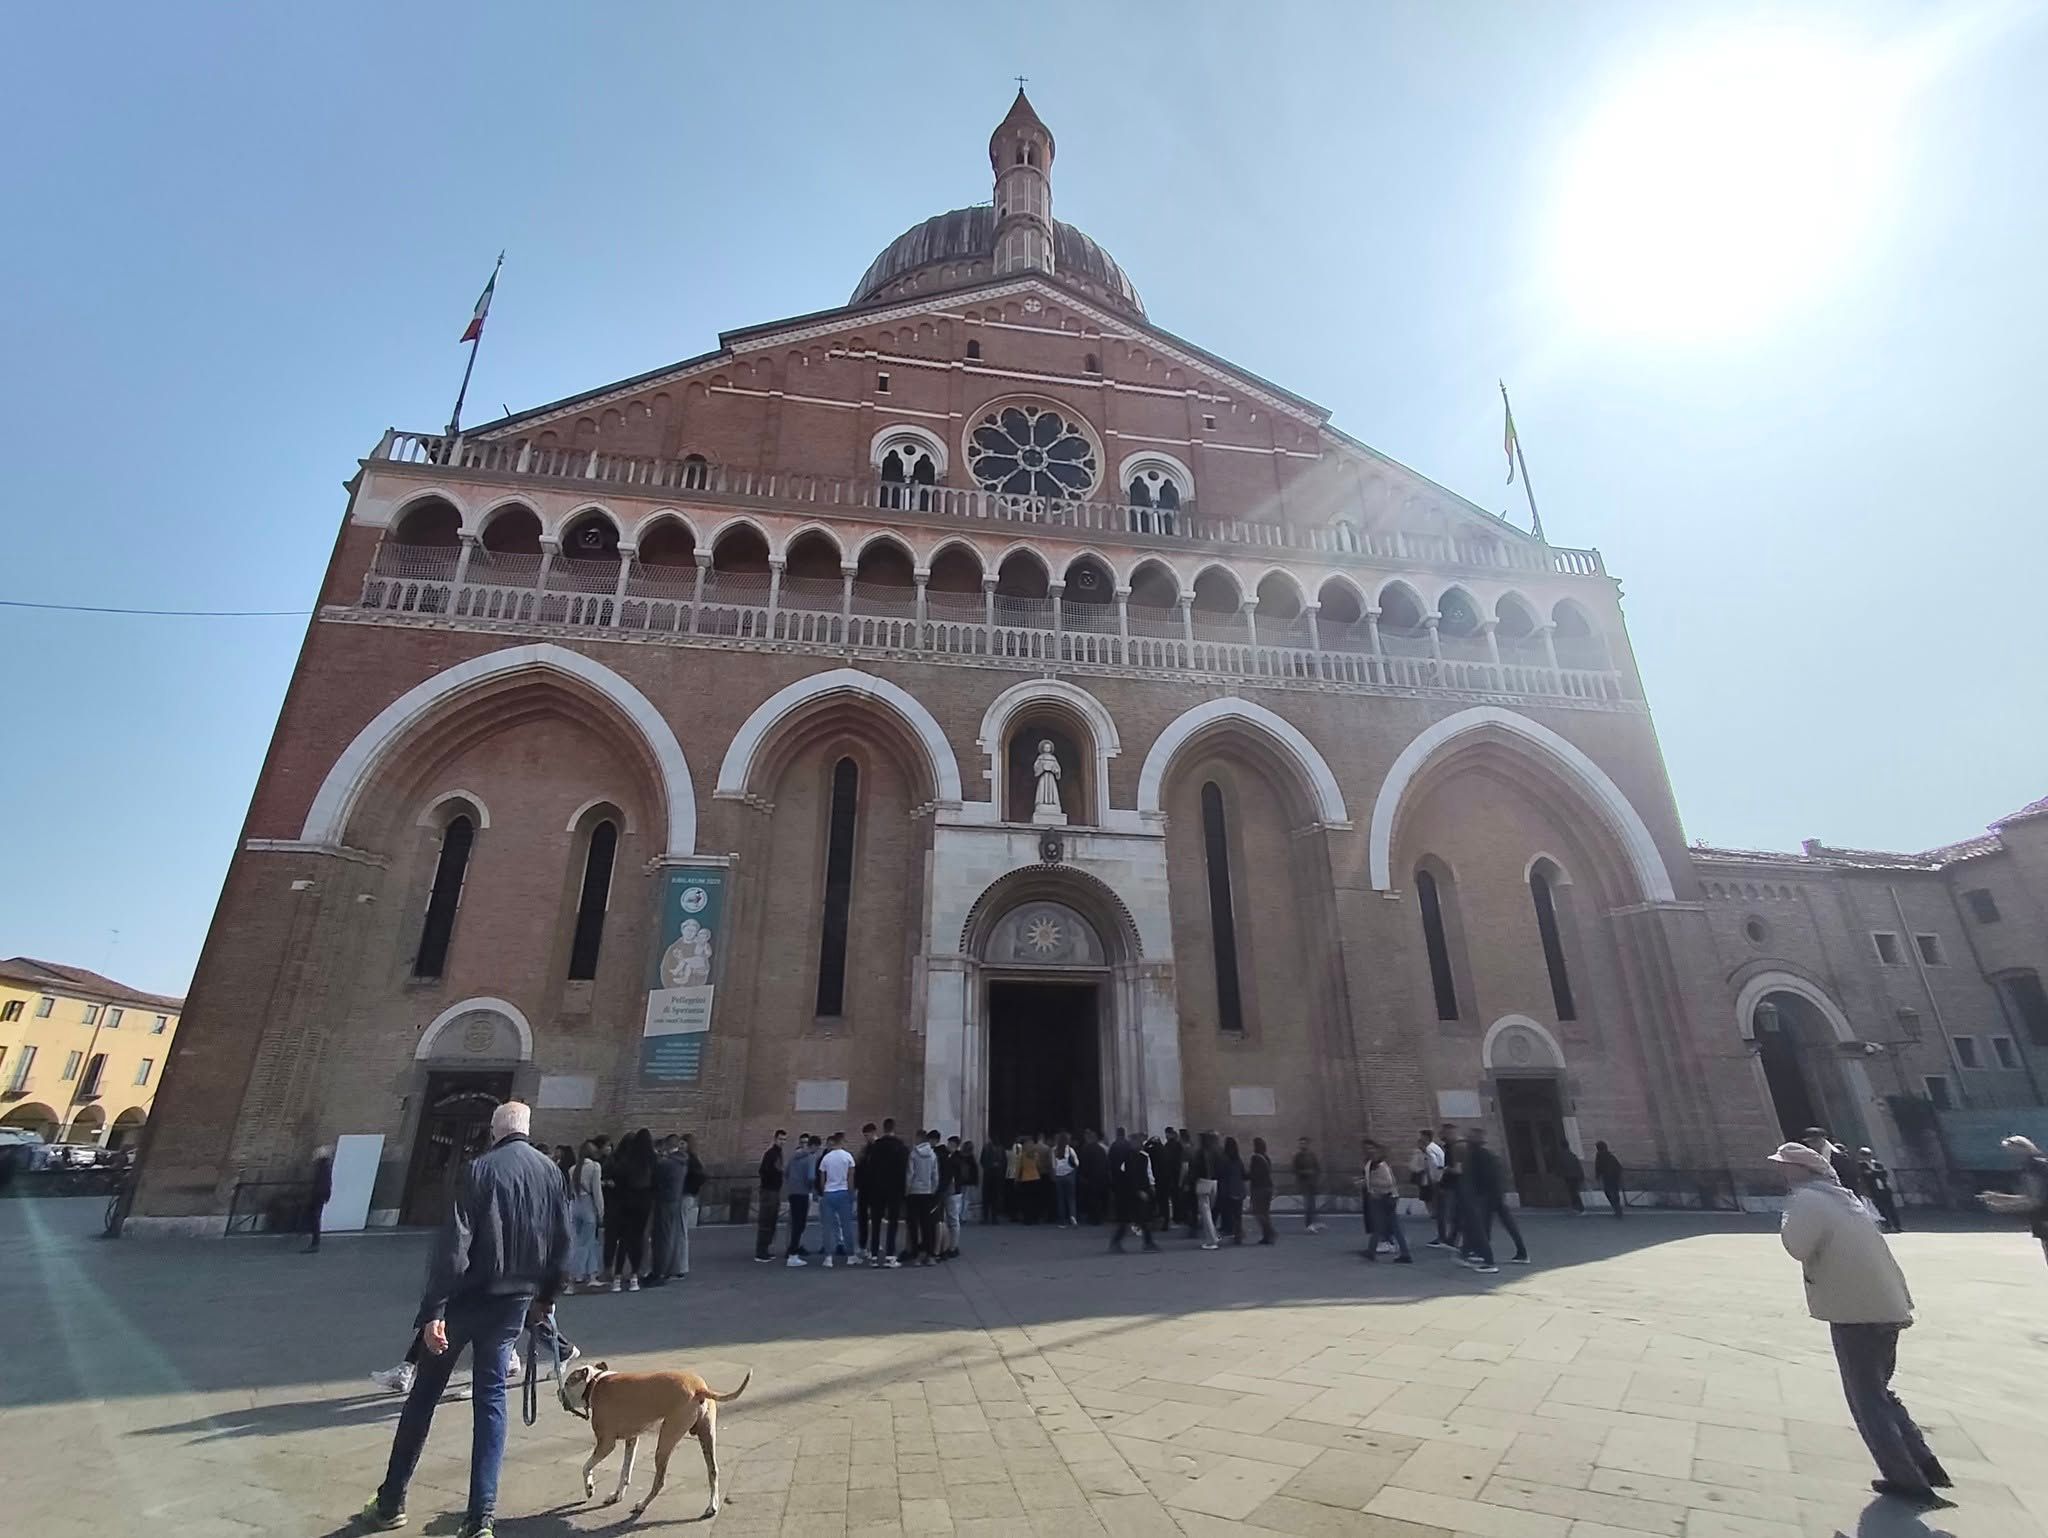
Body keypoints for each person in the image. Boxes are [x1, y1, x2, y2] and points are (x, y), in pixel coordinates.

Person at [357, 1101, 570, 1538]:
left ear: (494, 1131)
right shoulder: (551, 1172)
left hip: (465, 1301)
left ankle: (391, 1502)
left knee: (423, 1398)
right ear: (527, 1129)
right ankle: (480, 1519)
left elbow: (454, 1244)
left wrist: (434, 1310)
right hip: (513, 1303)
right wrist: (546, 1297)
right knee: (491, 1401)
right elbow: (562, 1242)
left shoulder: (479, 1170)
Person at [1769, 1140, 1952, 1509]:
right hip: (1885, 1306)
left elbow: (1797, 1246)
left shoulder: (1807, 1200)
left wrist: (1786, 1216)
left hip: (1856, 1311)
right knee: (1880, 1392)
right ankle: (1925, 1463)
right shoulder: (1843, 1197)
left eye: (1785, 1165)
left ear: (1803, 1170)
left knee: (1866, 1400)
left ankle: (1908, 1481)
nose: (1781, 1171)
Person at [1458, 1127, 1527, 1272]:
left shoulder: (1476, 1155)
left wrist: (1475, 1195)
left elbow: (1477, 1178)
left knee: (1478, 1227)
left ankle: (1488, 1262)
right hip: (1495, 1194)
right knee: (1502, 1225)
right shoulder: (1489, 1155)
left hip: (1484, 1196)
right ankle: (1522, 1253)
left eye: (1469, 1139)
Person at [1979, 1134, 2048, 1265]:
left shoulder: (2033, 1169)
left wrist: (2002, 1203)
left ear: (2022, 1150)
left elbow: (2034, 1200)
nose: (2009, 1155)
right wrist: (2000, 1198)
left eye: (2011, 1151)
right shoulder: (2040, 1164)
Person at [605, 1128, 656, 1290]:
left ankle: (617, 1278)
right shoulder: (652, 1160)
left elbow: (617, 1180)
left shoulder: (626, 1160)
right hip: (644, 1203)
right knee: (638, 1239)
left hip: (626, 1203)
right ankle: (634, 1276)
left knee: (624, 1240)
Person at [1360, 1139, 1412, 1263]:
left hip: (1385, 1198)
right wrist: (1364, 1183)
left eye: (1372, 1149)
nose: (1370, 1151)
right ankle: (1372, 1251)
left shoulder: (1381, 1165)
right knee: (1380, 1225)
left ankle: (1404, 1253)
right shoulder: (1371, 1164)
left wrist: (1372, 1184)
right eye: (1367, 1149)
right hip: (1380, 1197)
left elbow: (1388, 1183)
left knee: (1390, 1226)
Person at [868, 1118, 908, 1266]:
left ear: (883, 1128)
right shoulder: (900, 1146)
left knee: (876, 1222)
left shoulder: (875, 1146)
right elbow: (904, 1169)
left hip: (876, 1188)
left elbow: (870, 1168)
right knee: (893, 1222)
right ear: (894, 1128)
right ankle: (890, 1256)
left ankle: (873, 1256)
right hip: (895, 1188)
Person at [647, 1134, 687, 1284]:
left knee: (661, 1238)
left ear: (667, 1145)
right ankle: (667, 1269)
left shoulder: (666, 1164)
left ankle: (659, 1272)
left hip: (663, 1201)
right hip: (675, 1201)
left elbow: (654, 1180)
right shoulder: (682, 1161)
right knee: (670, 1236)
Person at [1110, 1133, 1159, 1252]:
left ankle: (1147, 1243)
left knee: (1141, 1219)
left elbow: (1147, 1173)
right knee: (1131, 1219)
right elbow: (1128, 1176)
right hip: (1131, 1193)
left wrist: (1151, 1186)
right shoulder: (1128, 1157)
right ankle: (1146, 1243)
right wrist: (1139, 1190)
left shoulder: (1143, 1157)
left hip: (1139, 1191)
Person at [817, 1131, 858, 1267]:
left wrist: (824, 1192)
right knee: (846, 1226)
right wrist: (851, 1193)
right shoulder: (848, 1157)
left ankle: (828, 1258)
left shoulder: (826, 1158)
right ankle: (851, 1256)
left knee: (827, 1226)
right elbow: (851, 1177)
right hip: (843, 1192)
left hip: (829, 1193)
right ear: (841, 1142)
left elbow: (822, 1178)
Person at [567, 1140, 605, 1288]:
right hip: (588, 1204)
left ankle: (583, 1275)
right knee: (589, 1243)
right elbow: (597, 1191)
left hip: (575, 1205)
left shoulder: (572, 1169)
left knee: (579, 1243)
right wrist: (601, 1211)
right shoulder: (595, 1167)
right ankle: (584, 1275)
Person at [905, 1128, 940, 1264]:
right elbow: (935, 1176)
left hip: (914, 1192)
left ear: (919, 1138)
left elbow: (910, 1174)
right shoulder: (932, 1155)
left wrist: (907, 1190)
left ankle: (915, 1255)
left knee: (913, 1224)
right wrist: (932, 1189)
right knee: (927, 1224)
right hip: (927, 1192)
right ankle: (929, 1254)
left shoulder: (913, 1154)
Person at [783, 1133, 819, 1266]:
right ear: (814, 1146)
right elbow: (811, 1177)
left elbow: (786, 1172)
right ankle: (793, 1254)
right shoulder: (811, 1157)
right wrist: (811, 1189)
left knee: (794, 1223)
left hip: (793, 1192)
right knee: (800, 1224)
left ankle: (792, 1251)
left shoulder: (794, 1156)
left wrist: (792, 1184)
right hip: (803, 1193)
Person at [753, 1130, 787, 1264]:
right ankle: (761, 1251)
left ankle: (765, 1249)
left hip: (774, 1190)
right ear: (775, 1139)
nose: (782, 1142)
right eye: (780, 1139)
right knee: (766, 1220)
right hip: (769, 1191)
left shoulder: (778, 1153)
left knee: (771, 1221)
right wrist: (770, 1181)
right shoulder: (771, 1154)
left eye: (784, 1139)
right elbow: (763, 1171)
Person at [677, 1132, 706, 1276]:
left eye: (682, 1143)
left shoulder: (690, 1160)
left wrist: (688, 1189)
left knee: (681, 1231)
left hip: (685, 1196)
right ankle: (680, 1266)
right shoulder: (691, 1159)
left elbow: (700, 1177)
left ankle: (681, 1266)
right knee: (680, 1230)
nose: (680, 1146)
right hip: (686, 1195)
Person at [1411, 1130, 1444, 1244]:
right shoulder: (1423, 1151)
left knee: (1436, 1200)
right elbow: (1414, 1165)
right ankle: (1434, 1215)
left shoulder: (1431, 1149)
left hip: (1435, 1179)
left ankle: (1442, 1234)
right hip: (1429, 1178)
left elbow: (1437, 1164)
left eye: (1422, 1137)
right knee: (1428, 1198)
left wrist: (1435, 1176)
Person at [1858, 1148, 1902, 1232]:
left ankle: (1897, 1226)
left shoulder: (1877, 1163)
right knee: (1881, 1209)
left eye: (1869, 1154)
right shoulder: (1861, 1165)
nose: (1867, 1156)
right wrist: (1876, 1173)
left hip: (1885, 1188)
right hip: (1874, 1190)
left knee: (1891, 1208)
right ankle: (1887, 1226)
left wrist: (1872, 1172)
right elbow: (1866, 1175)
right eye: (1865, 1154)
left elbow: (1884, 1173)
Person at [1433, 1125, 1462, 1249]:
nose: (1441, 1135)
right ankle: (1450, 1239)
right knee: (1450, 1214)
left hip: (1453, 1186)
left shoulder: (1455, 1148)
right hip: (1448, 1185)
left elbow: (1457, 1170)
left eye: (1444, 1133)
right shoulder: (1447, 1147)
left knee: (1451, 1214)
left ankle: (1452, 1239)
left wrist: (1444, 1169)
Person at [1192, 1131, 1222, 1250]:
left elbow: (1195, 1169)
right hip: (1214, 1182)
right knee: (1210, 1211)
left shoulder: (1200, 1153)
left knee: (1205, 1213)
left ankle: (1211, 1240)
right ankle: (1215, 1235)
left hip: (1203, 1182)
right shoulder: (1217, 1151)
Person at [856, 1123, 880, 1255]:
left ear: (873, 1133)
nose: (866, 1138)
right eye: (865, 1136)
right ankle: (863, 1244)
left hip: (874, 1187)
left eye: (867, 1135)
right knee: (863, 1217)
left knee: (875, 1217)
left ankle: (874, 1243)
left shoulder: (878, 1147)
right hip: (865, 1187)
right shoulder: (865, 1149)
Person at [305, 1144, 334, 1254]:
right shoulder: (324, 1166)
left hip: (318, 1195)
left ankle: (315, 1243)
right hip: (320, 1195)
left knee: (315, 1218)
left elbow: (323, 1183)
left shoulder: (322, 1167)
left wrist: (320, 1194)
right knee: (315, 1217)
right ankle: (314, 1241)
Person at [1291, 1136, 1323, 1233]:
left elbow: (1317, 1168)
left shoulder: (1312, 1155)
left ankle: (1313, 1222)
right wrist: (1305, 1172)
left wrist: (1316, 1177)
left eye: (1304, 1143)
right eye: (1301, 1143)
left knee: (1312, 1204)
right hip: (1304, 1183)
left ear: (1307, 1144)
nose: (1302, 1145)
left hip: (1312, 1182)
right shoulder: (1297, 1157)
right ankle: (1309, 1224)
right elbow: (1294, 1170)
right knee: (1308, 1204)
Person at [1248, 1137, 1276, 1244]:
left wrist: (1245, 1175)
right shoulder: (1266, 1157)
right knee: (1265, 1212)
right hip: (1268, 1187)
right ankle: (1267, 1236)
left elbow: (1254, 1174)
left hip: (1259, 1188)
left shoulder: (1255, 1158)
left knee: (1257, 1211)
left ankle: (1270, 1231)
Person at [1078, 1130, 1109, 1225]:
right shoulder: (1101, 1149)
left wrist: (1083, 1175)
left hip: (1091, 1177)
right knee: (1099, 1197)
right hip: (1101, 1177)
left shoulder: (1086, 1149)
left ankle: (1093, 1217)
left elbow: (1084, 1164)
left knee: (1092, 1198)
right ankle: (1099, 1217)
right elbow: (1106, 1163)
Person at [1052, 1134, 1079, 1227]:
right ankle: (1073, 1217)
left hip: (1059, 1176)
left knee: (1061, 1199)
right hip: (1069, 1175)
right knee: (1071, 1198)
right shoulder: (1070, 1150)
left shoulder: (1054, 1150)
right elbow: (1077, 1163)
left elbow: (1053, 1165)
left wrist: (1054, 1174)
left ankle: (1062, 1222)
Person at [1014, 1134, 1042, 1224]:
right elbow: (1039, 1166)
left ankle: (1027, 1218)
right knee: (1035, 1199)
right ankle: (1035, 1218)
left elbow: (1019, 1168)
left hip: (1026, 1179)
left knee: (1026, 1200)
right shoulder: (1036, 1155)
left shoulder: (1022, 1155)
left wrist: (1016, 1179)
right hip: (1036, 1177)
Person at [979, 1134, 1006, 1226]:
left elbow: (982, 1161)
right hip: (994, 1175)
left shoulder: (987, 1148)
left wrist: (988, 1167)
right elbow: (1004, 1162)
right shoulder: (1000, 1149)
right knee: (993, 1197)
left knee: (989, 1197)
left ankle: (988, 1217)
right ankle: (992, 1217)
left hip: (990, 1175)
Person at [1594, 1140, 1624, 1218]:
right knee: (1615, 1193)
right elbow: (1619, 1167)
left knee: (1609, 1193)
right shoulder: (1611, 1156)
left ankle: (1616, 1209)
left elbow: (1598, 1168)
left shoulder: (1599, 1157)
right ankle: (1618, 1209)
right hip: (1614, 1177)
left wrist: (1597, 1177)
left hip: (1607, 1178)